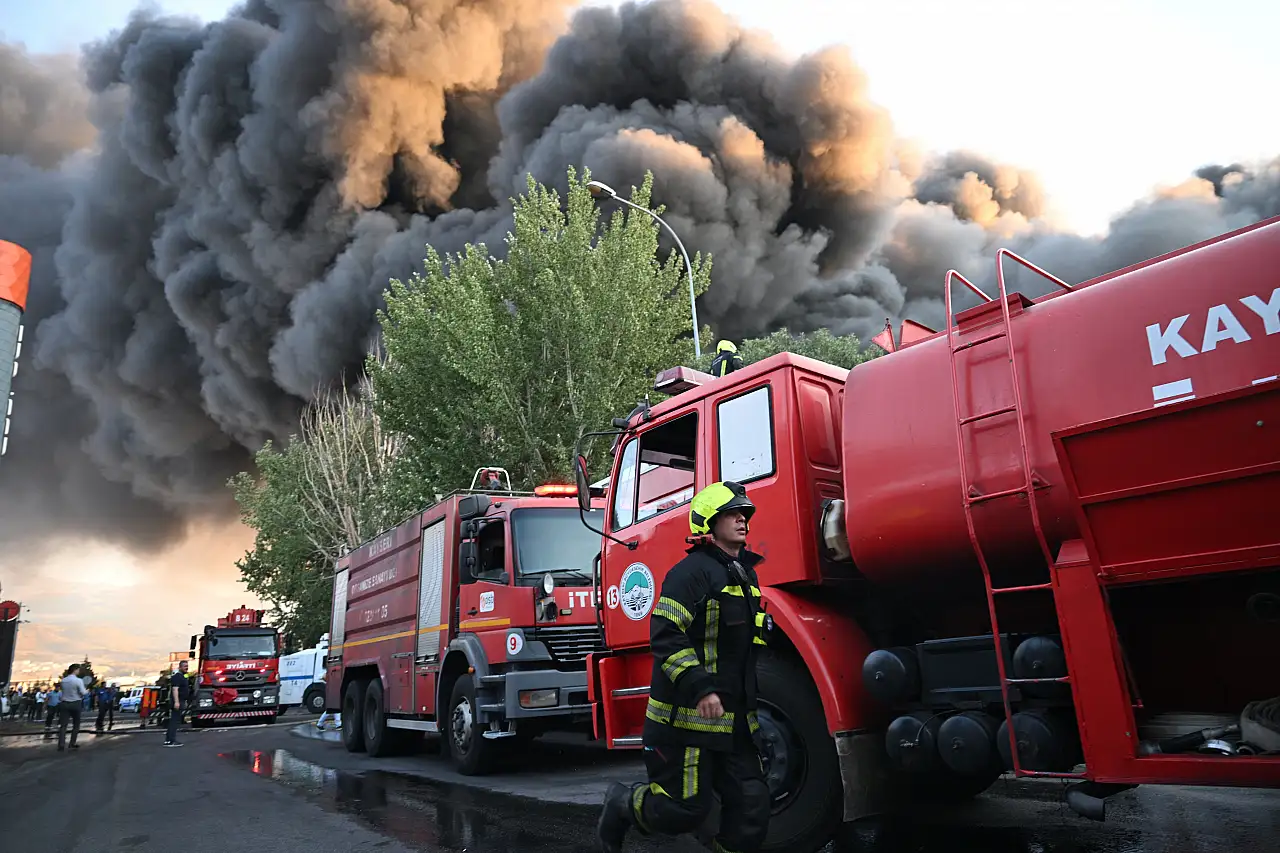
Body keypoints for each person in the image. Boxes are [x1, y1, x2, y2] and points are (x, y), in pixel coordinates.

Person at [597, 480, 771, 853]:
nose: (743, 518)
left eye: (745, 513)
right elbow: (666, 635)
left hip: (736, 721)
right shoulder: (690, 573)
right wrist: (701, 688)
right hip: (686, 721)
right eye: (732, 514)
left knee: (752, 804)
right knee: (683, 810)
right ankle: (622, 805)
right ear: (708, 522)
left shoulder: (746, 576)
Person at [57, 664, 88, 751]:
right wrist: (86, 690)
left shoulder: (63, 680)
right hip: (75, 703)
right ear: (75, 670)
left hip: (64, 703)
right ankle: (72, 743)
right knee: (76, 724)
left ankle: (61, 744)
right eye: (78, 669)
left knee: (63, 725)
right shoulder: (78, 680)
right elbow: (83, 692)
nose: (79, 671)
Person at [165, 660, 190, 747]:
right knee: (174, 721)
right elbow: (175, 689)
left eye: (187, 666)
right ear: (180, 667)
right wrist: (176, 702)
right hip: (177, 701)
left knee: (174, 720)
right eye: (184, 666)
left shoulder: (183, 676)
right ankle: (171, 741)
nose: (186, 667)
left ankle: (168, 740)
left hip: (181, 700)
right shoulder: (177, 677)